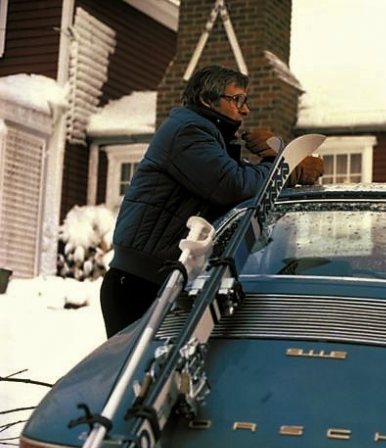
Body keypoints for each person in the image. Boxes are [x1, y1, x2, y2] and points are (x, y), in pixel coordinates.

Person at [100, 65, 323, 338]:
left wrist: (275, 154)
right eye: (237, 99)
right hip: (140, 283)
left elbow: (243, 195)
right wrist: (286, 167)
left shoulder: (210, 138)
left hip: (167, 278)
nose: (245, 110)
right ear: (207, 99)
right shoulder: (187, 132)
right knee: (135, 373)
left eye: (246, 101)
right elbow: (234, 186)